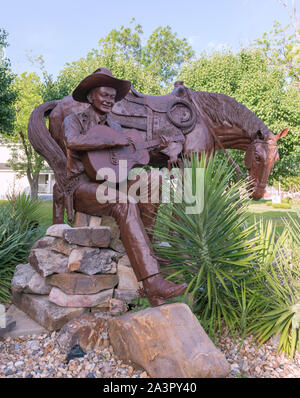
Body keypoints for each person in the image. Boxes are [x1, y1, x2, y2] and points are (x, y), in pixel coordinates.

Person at [63, 68, 187, 307]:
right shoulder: (75, 121)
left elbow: (122, 161)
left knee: (153, 180)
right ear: (90, 96)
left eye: (112, 96)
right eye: (104, 95)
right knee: (124, 201)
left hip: (113, 181)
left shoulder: (117, 127)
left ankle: (145, 249)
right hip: (83, 187)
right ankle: (152, 284)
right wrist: (114, 140)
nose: (109, 100)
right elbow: (73, 142)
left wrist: (149, 149)